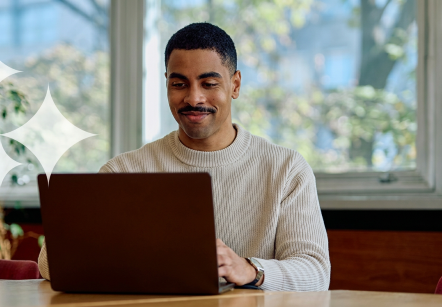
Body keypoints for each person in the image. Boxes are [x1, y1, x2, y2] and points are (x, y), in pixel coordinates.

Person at [38, 22, 330, 291]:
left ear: (235, 85)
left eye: (209, 84)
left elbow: (316, 272)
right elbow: (50, 263)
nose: (193, 98)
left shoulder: (286, 169)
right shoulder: (124, 170)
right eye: (179, 84)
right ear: (167, 83)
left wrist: (250, 270)